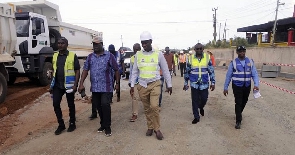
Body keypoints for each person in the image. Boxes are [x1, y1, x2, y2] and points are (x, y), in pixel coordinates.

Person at [130, 31, 172, 140]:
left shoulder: (158, 54)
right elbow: (134, 71)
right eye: (142, 43)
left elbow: (166, 70)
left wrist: (169, 84)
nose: (144, 45)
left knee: (154, 106)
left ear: (151, 42)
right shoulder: (138, 55)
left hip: (155, 84)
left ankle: (157, 129)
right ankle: (150, 126)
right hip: (142, 85)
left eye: (146, 43)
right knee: (147, 108)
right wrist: (132, 85)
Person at [78, 36, 120, 137]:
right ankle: (103, 124)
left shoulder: (109, 56)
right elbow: (85, 70)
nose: (95, 46)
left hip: (107, 86)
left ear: (102, 44)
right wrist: (81, 83)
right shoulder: (90, 57)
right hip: (95, 88)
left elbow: (116, 69)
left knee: (105, 104)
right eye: (94, 44)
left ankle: (108, 126)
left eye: (97, 44)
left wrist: (117, 83)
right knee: (98, 106)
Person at [49, 37, 80, 135]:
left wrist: (76, 84)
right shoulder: (55, 56)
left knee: (71, 105)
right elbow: (54, 70)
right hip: (57, 85)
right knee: (55, 104)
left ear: (66, 44)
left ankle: (72, 123)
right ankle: (61, 125)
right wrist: (51, 84)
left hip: (69, 85)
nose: (60, 45)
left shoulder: (72, 55)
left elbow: (77, 70)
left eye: (62, 43)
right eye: (58, 43)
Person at [223, 46, 259, 129]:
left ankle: (238, 113)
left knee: (244, 101)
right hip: (237, 86)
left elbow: (254, 74)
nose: (242, 53)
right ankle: (238, 121)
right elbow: (228, 76)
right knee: (238, 102)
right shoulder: (233, 63)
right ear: (237, 52)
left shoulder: (250, 61)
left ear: (245, 52)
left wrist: (256, 84)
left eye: (243, 51)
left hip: (247, 85)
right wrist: (225, 87)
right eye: (240, 51)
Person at [183, 43, 215, 124]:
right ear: (195, 50)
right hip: (194, 83)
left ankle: (201, 107)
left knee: (204, 99)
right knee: (194, 100)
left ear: (203, 49)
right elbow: (187, 72)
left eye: (201, 48)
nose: (199, 50)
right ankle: (196, 117)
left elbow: (211, 71)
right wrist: (186, 83)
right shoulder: (190, 59)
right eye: (197, 49)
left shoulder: (207, 58)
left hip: (204, 83)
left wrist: (213, 82)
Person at [128, 43, 141, 122]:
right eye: (135, 49)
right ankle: (134, 114)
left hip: (144, 81)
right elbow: (131, 71)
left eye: (138, 49)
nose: (136, 51)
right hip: (135, 82)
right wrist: (130, 82)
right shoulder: (132, 58)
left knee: (145, 98)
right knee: (134, 97)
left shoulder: (145, 57)